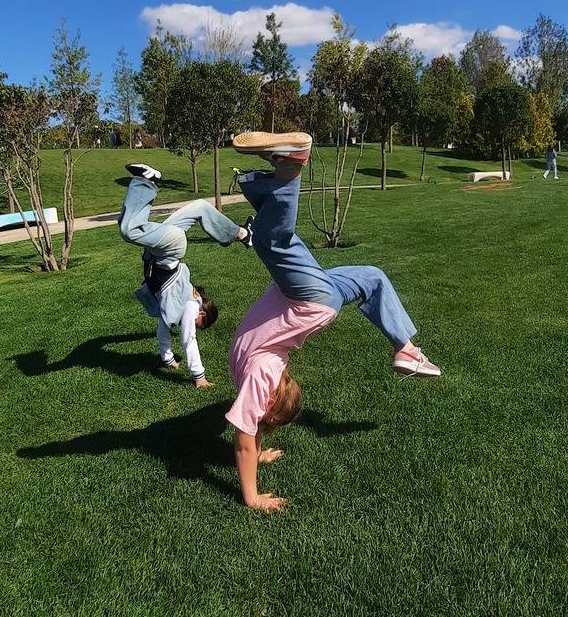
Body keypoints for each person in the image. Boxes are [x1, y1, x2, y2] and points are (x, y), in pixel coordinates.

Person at [226, 131, 440, 514]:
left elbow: (249, 431)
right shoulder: (261, 376)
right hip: (308, 299)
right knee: (277, 243)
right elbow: (246, 434)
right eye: (265, 415)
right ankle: (406, 349)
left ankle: (280, 169)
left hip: (309, 298)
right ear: (270, 405)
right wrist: (252, 494)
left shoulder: (260, 377)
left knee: (277, 242)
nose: (256, 415)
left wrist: (257, 456)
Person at [118, 162, 251, 387]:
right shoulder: (191, 306)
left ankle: (243, 234)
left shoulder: (174, 307)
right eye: (199, 324)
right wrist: (199, 376)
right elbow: (188, 339)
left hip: (162, 249)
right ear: (202, 314)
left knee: (200, 206)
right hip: (169, 249)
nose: (193, 325)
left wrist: (167, 358)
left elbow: (163, 326)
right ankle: (147, 180)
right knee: (129, 230)